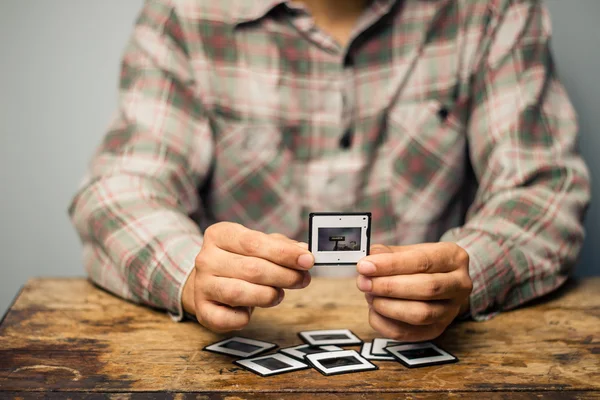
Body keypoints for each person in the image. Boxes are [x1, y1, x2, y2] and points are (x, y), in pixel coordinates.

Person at [69, 0, 591, 341]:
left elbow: (544, 188)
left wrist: (470, 270)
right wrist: (189, 270)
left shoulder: (493, 9)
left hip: (431, 358)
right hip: (247, 347)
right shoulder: (184, 14)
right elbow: (119, 189)